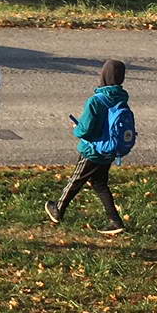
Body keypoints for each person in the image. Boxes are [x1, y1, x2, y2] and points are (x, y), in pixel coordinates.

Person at [45, 59, 130, 235]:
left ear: (103, 76)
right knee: (99, 183)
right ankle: (115, 221)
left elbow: (85, 130)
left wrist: (77, 129)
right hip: (109, 150)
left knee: (75, 180)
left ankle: (58, 210)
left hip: (92, 150)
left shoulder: (96, 101)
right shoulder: (121, 99)